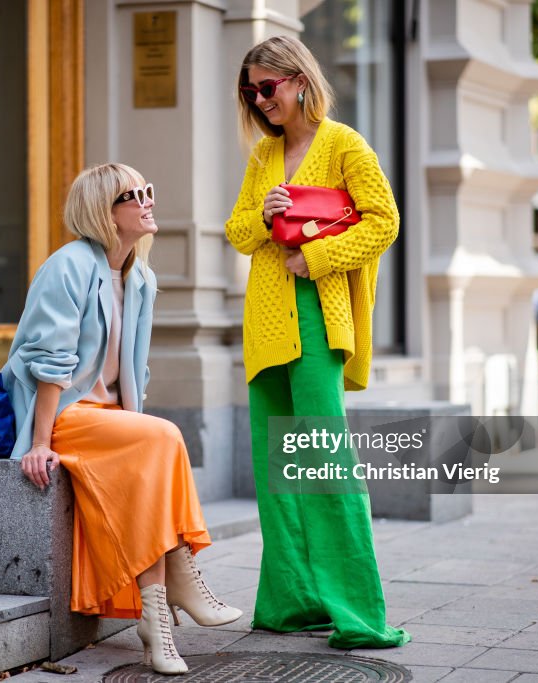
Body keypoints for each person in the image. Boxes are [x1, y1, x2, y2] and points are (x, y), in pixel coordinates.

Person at [1, 163, 242, 675]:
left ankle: (157, 624)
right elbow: (50, 364)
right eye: (133, 195)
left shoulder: (140, 277)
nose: (148, 200)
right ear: (102, 212)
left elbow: (136, 369)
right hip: (64, 413)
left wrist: (133, 426)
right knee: (164, 436)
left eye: (148, 189)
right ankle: (175, 587)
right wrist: (40, 443)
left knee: (156, 445)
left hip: (109, 417)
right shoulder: (67, 266)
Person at [225, 35, 411, 649]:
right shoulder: (263, 155)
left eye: (267, 87)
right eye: (250, 91)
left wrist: (320, 256)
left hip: (316, 318)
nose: (259, 100)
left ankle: (358, 613)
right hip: (265, 323)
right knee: (279, 470)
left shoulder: (342, 143)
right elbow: (239, 231)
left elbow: (383, 221)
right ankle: (295, 603)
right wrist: (264, 211)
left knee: (325, 460)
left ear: (300, 79)